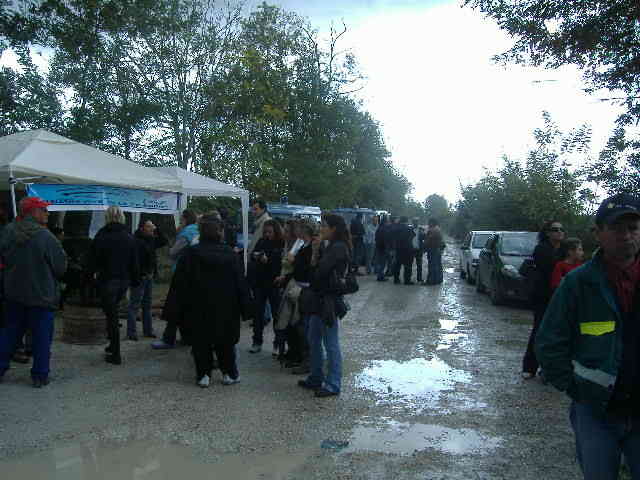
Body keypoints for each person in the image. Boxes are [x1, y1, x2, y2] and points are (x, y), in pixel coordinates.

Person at [536, 193, 640, 480]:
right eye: (617, 228)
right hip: (596, 412)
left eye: (633, 228)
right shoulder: (579, 283)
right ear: (599, 233)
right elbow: (548, 342)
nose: (626, 236)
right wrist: (575, 388)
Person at [170, 215, 252, 388]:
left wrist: (176, 308)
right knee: (226, 341)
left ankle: (203, 374)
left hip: (199, 305)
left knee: (201, 341)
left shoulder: (191, 254)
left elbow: (180, 283)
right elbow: (240, 282)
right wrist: (246, 308)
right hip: (226, 306)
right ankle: (228, 373)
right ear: (219, 233)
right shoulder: (230, 254)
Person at [0, 197, 67, 387]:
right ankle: (39, 375)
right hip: (41, 296)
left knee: (9, 334)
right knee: (41, 338)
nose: (47, 213)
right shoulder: (45, 237)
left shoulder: (8, 231)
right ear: (33, 212)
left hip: (14, 293)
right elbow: (60, 267)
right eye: (44, 209)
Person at [298, 213, 351, 398]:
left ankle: (333, 384)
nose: (321, 228)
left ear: (333, 229)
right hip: (320, 298)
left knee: (330, 342)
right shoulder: (331, 246)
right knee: (314, 338)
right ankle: (316, 376)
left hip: (328, 300)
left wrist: (315, 256)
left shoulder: (338, 248)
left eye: (324, 225)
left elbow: (318, 273)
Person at [86, 206, 140, 365]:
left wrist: (89, 277)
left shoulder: (101, 236)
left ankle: (115, 353)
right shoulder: (129, 237)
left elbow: (92, 260)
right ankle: (112, 346)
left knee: (111, 316)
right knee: (112, 314)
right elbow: (134, 262)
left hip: (107, 280)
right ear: (122, 217)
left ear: (107, 217)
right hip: (123, 281)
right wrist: (135, 281)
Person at [521, 219, 565, 379]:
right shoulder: (541, 249)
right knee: (539, 330)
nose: (559, 232)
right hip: (543, 296)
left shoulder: (565, 249)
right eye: (555, 229)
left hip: (562, 297)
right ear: (547, 233)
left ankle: (548, 370)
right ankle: (530, 366)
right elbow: (549, 270)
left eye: (561, 229)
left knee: (558, 334)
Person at [152, 209, 198, 350]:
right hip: (194, 274)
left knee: (174, 307)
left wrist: (176, 238)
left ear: (184, 219)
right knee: (187, 308)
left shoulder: (185, 234)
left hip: (182, 273)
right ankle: (187, 337)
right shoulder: (198, 230)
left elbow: (173, 252)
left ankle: (168, 338)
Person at [127, 219, 167, 341]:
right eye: (149, 227)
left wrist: (157, 228)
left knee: (147, 305)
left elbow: (164, 241)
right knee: (134, 305)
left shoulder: (151, 239)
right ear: (142, 228)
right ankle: (131, 332)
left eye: (152, 227)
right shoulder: (136, 241)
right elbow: (134, 261)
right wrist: (136, 276)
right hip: (140, 276)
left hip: (149, 276)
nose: (151, 229)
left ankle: (148, 330)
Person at [248, 219, 284, 354]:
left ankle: (278, 343)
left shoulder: (281, 243)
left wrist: (268, 261)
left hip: (274, 283)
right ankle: (257, 341)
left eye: (270, 232)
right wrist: (256, 256)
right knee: (258, 314)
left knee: (277, 315)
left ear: (276, 231)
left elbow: (281, 264)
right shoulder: (262, 241)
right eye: (265, 232)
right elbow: (253, 254)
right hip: (260, 283)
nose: (267, 234)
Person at [393, 216, 415, 285]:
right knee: (408, 265)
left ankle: (396, 279)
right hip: (407, 249)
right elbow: (413, 236)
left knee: (397, 265)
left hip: (398, 248)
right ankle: (407, 280)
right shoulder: (409, 228)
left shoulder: (396, 228)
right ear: (406, 221)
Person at [424, 218, 445, 285]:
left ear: (432, 223)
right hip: (437, 249)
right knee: (437, 265)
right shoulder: (438, 229)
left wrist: (424, 247)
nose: (428, 224)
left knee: (432, 266)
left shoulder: (433, 230)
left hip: (433, 249)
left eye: (429, 223)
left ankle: (431, 281)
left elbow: (428, 240)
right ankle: (438, 280)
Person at [412, 219, 427, 284]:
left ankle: (419, 278)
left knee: (419, 265)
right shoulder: (409, 229)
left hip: (418, 249)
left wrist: (423, 233)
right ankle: (409, 278)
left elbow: (425, 238)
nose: (415, 223)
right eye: (414, 222)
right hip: (411, 249)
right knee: (409, 264)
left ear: (418, 222)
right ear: (413, 222)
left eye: (416, 222)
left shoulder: (421, 229)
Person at [374, 216, 389, 282]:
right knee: (382, 263)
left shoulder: (379, 228)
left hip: (378, 247)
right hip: (383, 248)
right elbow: (385, 239)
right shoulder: (385, 229)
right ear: (385, 222)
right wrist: (387, 247)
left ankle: (380, 275)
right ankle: (380, 276)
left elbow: (376, 238)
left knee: (379, 262)